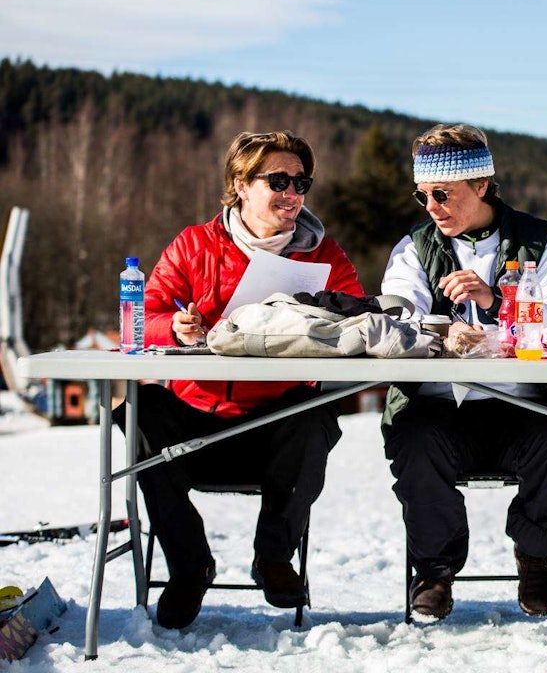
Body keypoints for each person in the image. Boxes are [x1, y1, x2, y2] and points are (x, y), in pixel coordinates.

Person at [118, 131, 365, 629]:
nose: (292, 193)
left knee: (315, 415)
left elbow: (359, 319)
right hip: (197, 422)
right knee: (137, 412)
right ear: (240, 184)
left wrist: (315, 325)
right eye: (279, 181)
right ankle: (189, 566)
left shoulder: (326, 256)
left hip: (275, 428)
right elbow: (144, 316)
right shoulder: (194, 245)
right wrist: (175, 327)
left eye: (301, 183)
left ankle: (273, 557)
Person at [380, 123, 547, 621]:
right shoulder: (414, 247)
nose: (431, 207)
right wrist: (439, 333)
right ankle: (434, 570)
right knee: (414, 443)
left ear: (481, 185)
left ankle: (536, 555)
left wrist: (498, 302)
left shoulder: (539, 239)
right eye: (422, 195)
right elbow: (395, 314)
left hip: (526, 402)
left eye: (442, 193)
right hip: (438, 404)